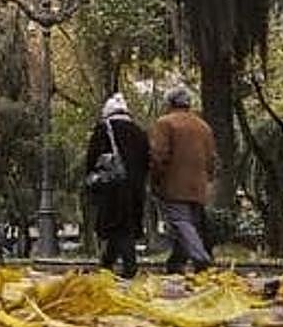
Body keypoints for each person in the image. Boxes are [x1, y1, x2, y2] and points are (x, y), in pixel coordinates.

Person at [150, 85, 217, 273]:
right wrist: (208, 179)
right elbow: (212, 158)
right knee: (188, 224)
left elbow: (159, 155)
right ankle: (175, 263)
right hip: (199, 185)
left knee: (180, 223)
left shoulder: (165, 123)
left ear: (170, 103)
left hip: (174, 183)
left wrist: (155, 179)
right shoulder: (203, 126)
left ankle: (201, 257)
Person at [85, 92, 150, 278]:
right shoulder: (139, 132)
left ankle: (129, 266)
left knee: (118, 226)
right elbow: (147, 161)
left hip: (110, 188)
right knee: (125, 225)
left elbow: (91, 160)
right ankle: (107, 263)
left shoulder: (103, 129)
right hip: (135, 189)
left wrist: (92, 182)